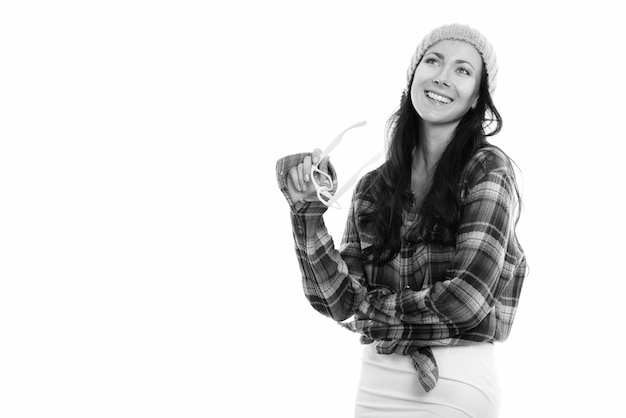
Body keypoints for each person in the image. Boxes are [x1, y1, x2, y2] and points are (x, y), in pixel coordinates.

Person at [276, 23, 527, 418]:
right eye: (433, 61)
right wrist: (307, 211)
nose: (443, 77)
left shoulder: (487, 170)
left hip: (455, 382)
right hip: (377, 381)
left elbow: (467, 301)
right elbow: (338, 300)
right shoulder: (373, 188)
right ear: (414, 74)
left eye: (462, 70)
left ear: (477, 96)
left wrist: (371, 309)